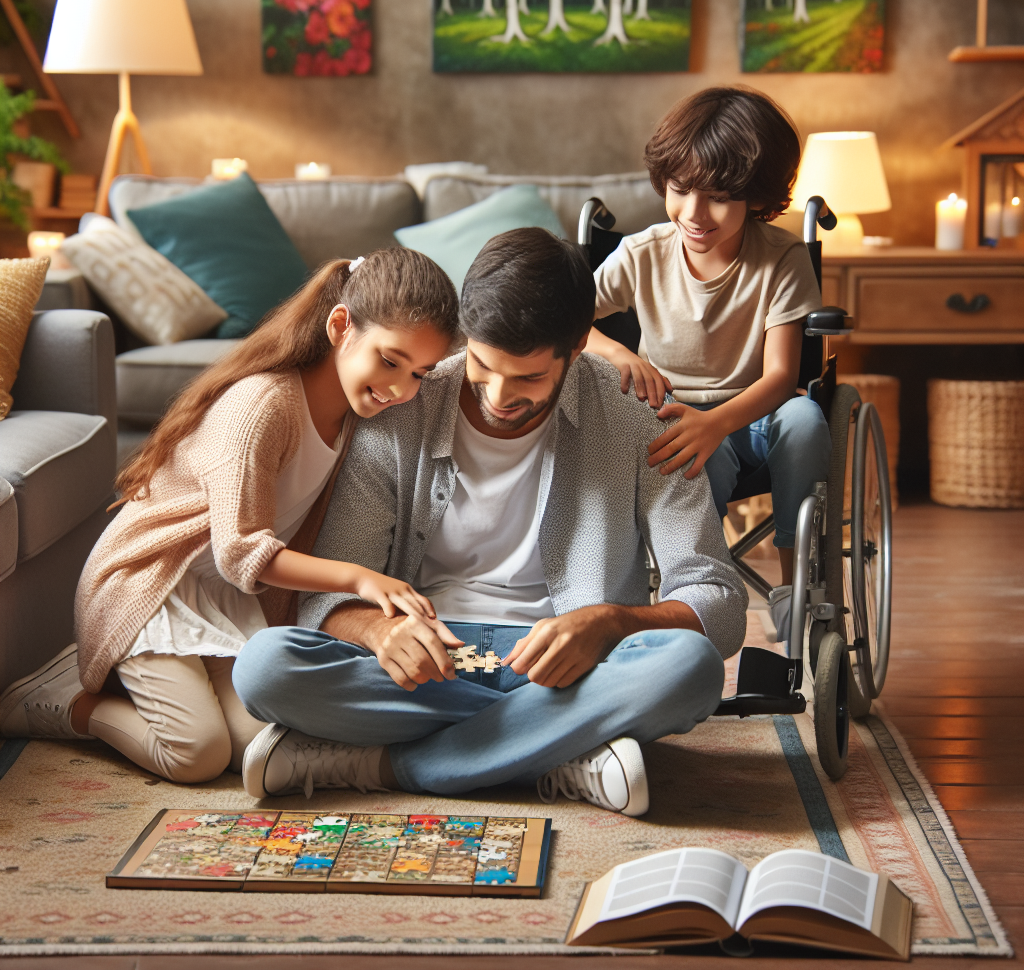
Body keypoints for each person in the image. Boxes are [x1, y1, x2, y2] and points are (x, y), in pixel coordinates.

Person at [231, 227, 747, 817]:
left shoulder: (637, 418)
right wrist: (378, 632)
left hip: (571, 671)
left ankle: (380, 765)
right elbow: (330, 596)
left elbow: (719, 602)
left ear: (578, 345)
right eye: (481, 364)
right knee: (265, 667)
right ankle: (565, 746)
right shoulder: (403, 407)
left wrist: (609, 623)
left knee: (691, 668)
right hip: (425, 668)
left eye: (528, 377)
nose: (499, 395)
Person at [0, 250, 460, 784]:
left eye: (420, 373)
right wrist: (360, 578)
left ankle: (152, 683)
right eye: (390, 361)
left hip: (223, 598)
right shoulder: (263, 406)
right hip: (150, 587)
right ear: (340, 327)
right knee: (197, 754)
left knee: (255, 745)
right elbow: (240, 552)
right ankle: (66, 701)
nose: (403, 390)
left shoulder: (359, 419)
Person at [583, 86, 830, 632]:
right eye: (680, 190)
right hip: (671, 415)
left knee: (806, 417)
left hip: (756, 415)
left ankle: (795, 585)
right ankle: (698, 594)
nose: (693, 214)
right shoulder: (642, 253)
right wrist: (617, 351)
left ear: (756, 196)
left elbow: (782, 377)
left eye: (718, 197)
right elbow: (568, 322)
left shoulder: (782, 258)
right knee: (690, 456)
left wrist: (715, 423)